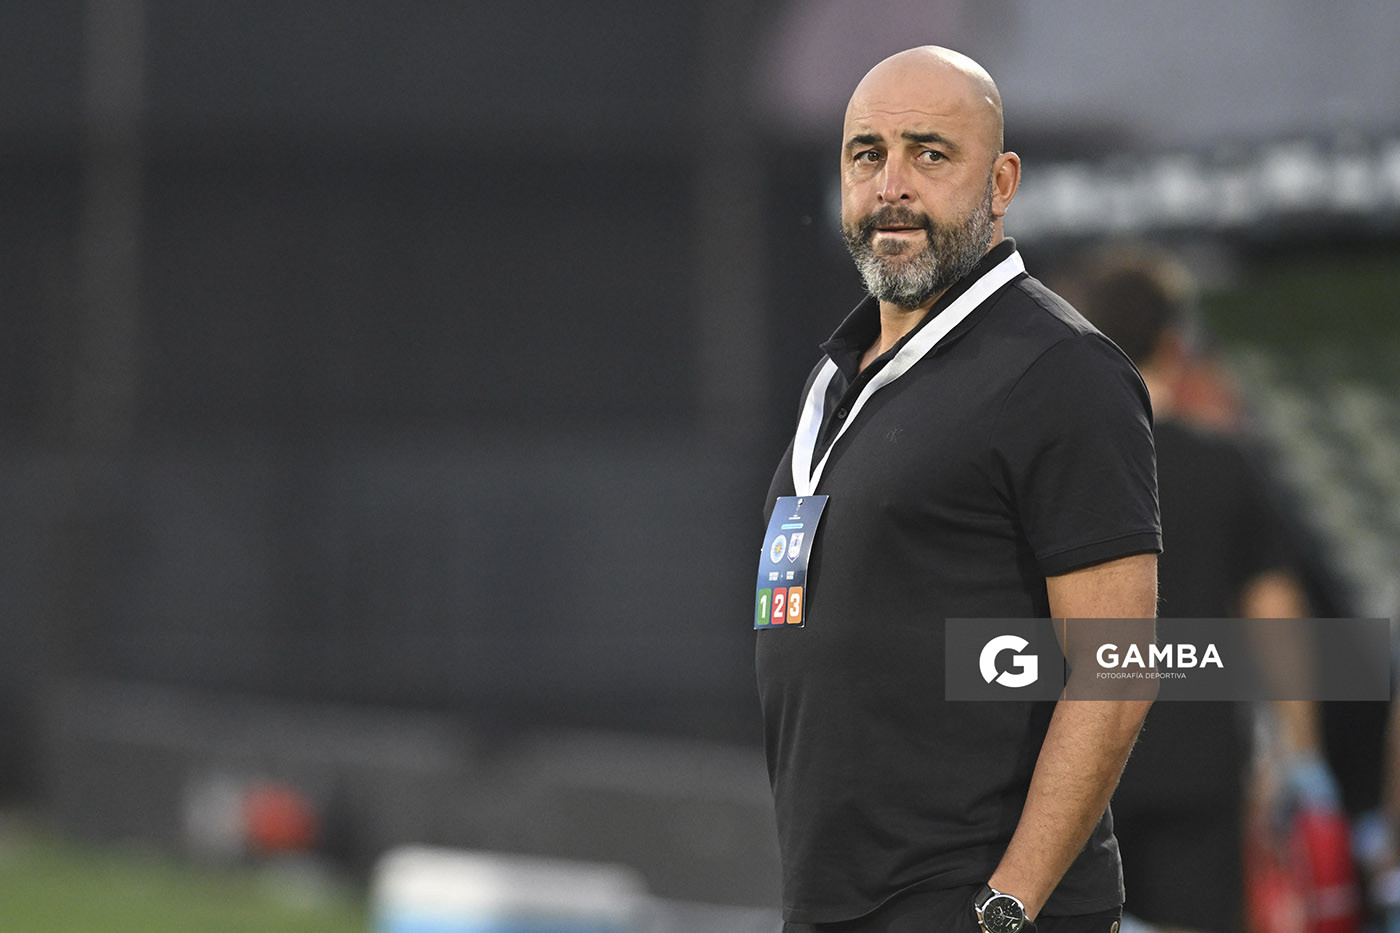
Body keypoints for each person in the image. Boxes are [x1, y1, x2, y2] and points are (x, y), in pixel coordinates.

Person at [754, 47, 1161, 933]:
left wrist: (1006, 906)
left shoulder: (1060, 370)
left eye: (930, 154)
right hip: (834, 906)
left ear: (1002, 181)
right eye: (868, 155)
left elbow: (1119, 665)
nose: (892, 185)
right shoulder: (836, 377)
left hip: (977, 908)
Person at [1072, 247, 1335, 933]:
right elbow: (1276, 617)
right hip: (1200, 767)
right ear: (1172, 344)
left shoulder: (1054, 472)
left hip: (1079, 770)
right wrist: (1300, 758)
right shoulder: (1225, 464)